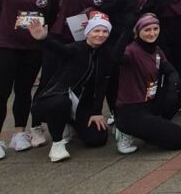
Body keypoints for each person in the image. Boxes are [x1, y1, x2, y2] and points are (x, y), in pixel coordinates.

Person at [0, 0, 62, 157]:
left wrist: (45, 37)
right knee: (2, 91)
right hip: (7, 44)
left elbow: (52, 17)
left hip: (33, 48)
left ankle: (19, 132)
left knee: (24, 90)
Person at [26, 14, 120, 162]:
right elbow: (59, 49)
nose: (100, 35)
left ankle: (70, 123)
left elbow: (103, 84)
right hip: (54, 99)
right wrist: (44, 38)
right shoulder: (76, 49)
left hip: (80, 106)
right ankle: (57, 144)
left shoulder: (106, 54)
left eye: (104, 31)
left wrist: (96, 112)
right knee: (61, 103)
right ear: (87, 33)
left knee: (97, 138)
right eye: (96, 31)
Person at [113, 14, 181, 152]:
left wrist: (172, 89)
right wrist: (126, 31)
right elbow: (116, 58)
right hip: (132, 111)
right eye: (147, 30)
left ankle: (159, 125)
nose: (152, 33)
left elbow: (172, 72)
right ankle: (124, 131)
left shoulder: (156, 49)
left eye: (155, 29)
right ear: (138, 32)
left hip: (151, 104)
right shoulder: (131, 50)